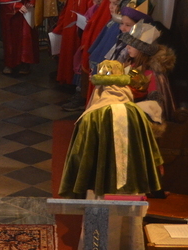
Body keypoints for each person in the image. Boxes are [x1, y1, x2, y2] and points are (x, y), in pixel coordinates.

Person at [59, 60, 164, 199]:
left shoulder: (92, 116)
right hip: (132, 187)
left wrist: (75, 184)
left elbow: (80, 153)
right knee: (128, 211)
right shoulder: (137, 113)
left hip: (99, 188)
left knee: (99, 209)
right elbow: (150, 148)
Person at [52, 0, 97, 106]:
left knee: (77, 54)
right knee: (67, 52)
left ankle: (75, 82)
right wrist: (61, 25)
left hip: (80, 29)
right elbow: (67, 8)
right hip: (69, 27)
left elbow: (91, 11)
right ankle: (66, 79)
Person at [120, 20, 177, 123]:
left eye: (132, 44)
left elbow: (154, 106)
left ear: (143, 49)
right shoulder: (132, 65)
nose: (127, 46)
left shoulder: (153, 75)